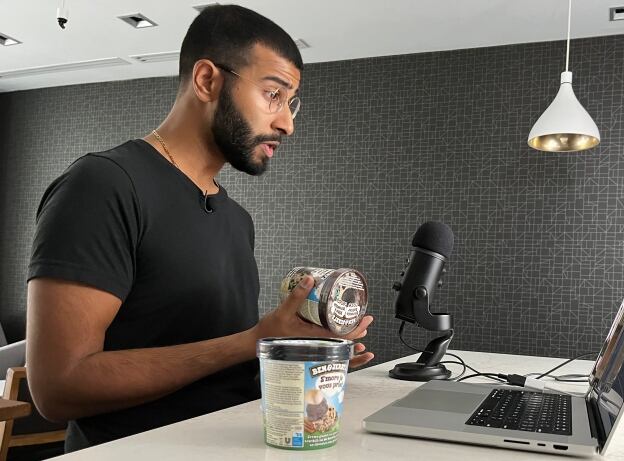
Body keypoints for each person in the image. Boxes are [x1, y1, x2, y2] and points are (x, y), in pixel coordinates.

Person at [25, 5, 374, 452]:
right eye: (273, 94)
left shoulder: (236, 218)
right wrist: (253, 340)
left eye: (291, 103)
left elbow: (222, 376)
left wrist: (300, 358)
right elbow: (58, 387)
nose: (286, 122)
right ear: (208, 80)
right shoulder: (103, 186)